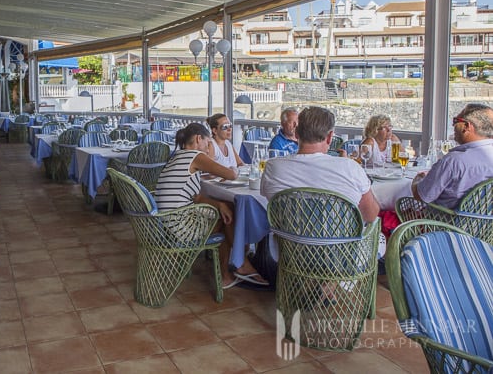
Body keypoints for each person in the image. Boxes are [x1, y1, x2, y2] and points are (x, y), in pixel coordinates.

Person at [155, 123, 268, 289]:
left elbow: (196, 196)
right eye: (208, 143)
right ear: (199, 139)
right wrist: (236, 170)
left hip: (165, 224)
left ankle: (234, 268)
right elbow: (231, 174)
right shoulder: (195, 156)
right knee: (229, 213)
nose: (209, 148)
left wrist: (219, 204)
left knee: (226, 209)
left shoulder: (177, 156)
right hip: (179, 227)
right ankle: (237, 267)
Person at [261, 106, 380, 223]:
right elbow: (370, 216)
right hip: (340, 241)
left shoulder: (273, 167)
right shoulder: (350, 167)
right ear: (329, 137)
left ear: (296, 134)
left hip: (288, 241)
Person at [412, 103, 493, 209]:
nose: (453, 126)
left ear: (466, 126)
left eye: (455, 121)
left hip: (444, 223)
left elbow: (422, 196)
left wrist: (417, 180)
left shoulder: (454, 161)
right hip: (485, 224)